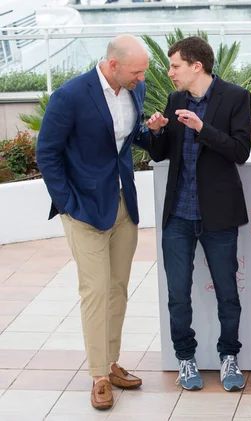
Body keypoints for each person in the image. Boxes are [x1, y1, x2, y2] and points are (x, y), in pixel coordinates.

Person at [36, 34, 150, 410]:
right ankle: (99, 376)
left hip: (122, 203)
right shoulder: (69, 96)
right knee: (96, 289)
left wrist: (154, 129)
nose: (141, 78)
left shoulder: (134, 88)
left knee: (118, 287)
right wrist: (67, 203)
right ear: (113, 65)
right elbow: (47, 153)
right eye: (136, 71)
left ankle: (112, 361)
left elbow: (127, 138)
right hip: (84, 208)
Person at [145, 36, 251, 392]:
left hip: (218, 214)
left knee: (227, 292)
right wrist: (155, 132)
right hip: (178, 214)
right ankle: (185, 360)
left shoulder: (236, 97)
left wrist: (201, 128)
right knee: (177, 293)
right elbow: (162, 154)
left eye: (175, 65)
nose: (170, 72)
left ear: (196, 66)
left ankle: (229, 357)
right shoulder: (175, 99)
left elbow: (239, 150)